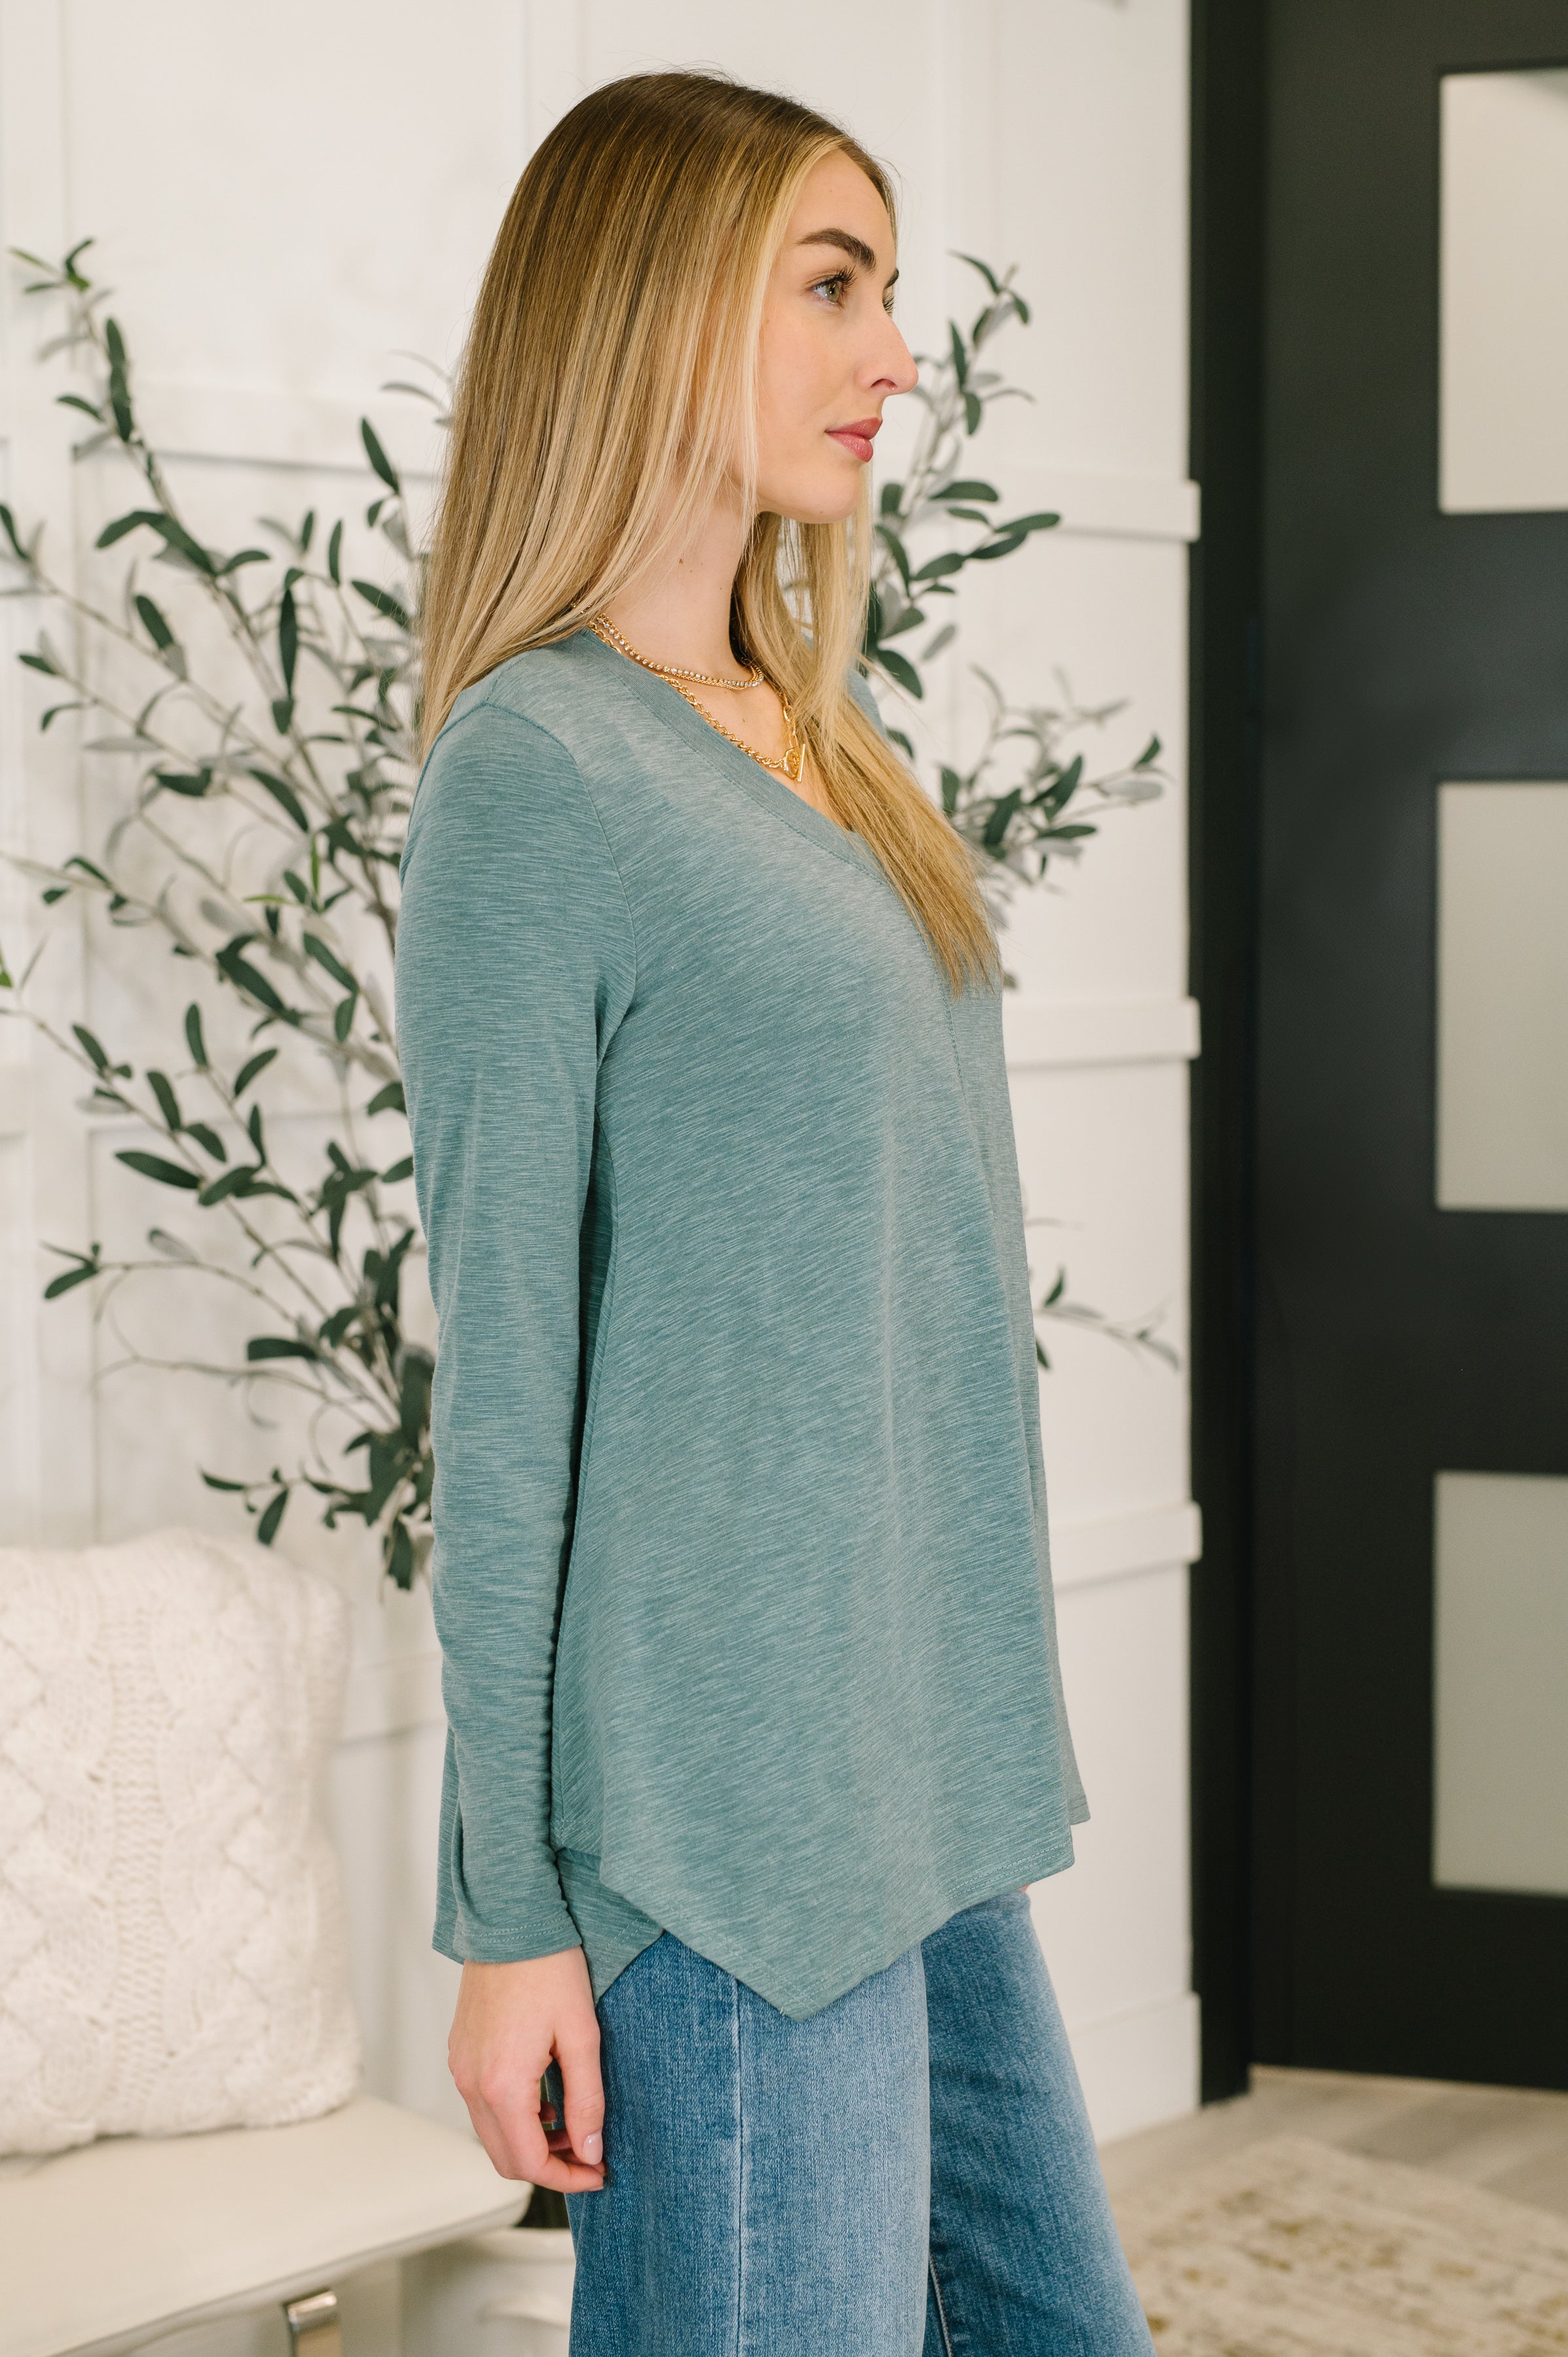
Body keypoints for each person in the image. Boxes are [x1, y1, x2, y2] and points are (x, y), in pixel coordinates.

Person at [396, 67, 1155, 2357]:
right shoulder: (534, 771)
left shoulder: (823, 744)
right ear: (646, 309)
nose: (892, 354)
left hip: (911, 1782)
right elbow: (508, 1382)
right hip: (720, 1843)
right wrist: (506, 1921)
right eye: (831, 286)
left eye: (891, 295)